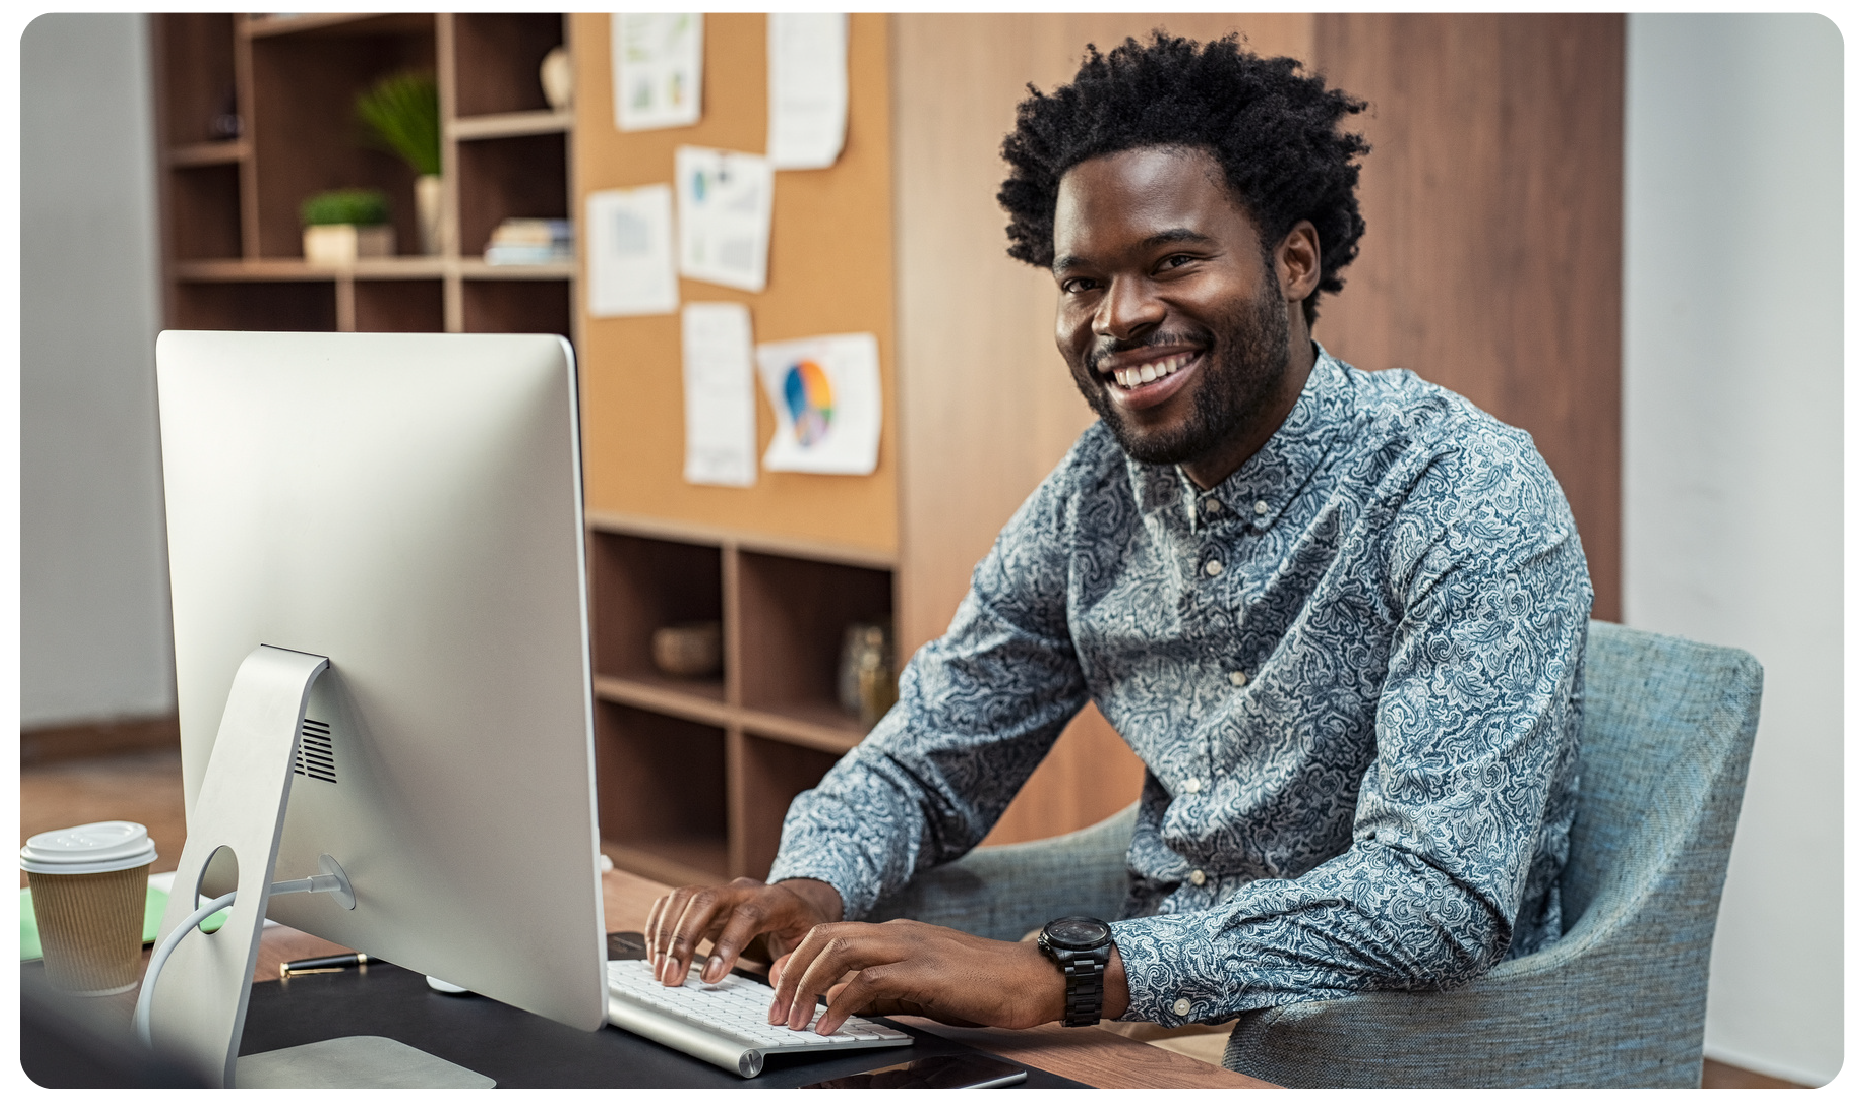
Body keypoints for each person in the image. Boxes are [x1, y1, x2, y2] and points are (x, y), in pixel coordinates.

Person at [644, 31, 1592, 1046]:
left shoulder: (1461, 490)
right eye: (1080, 282)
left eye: (1172, 261)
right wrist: (810, 883)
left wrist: (1066, 975)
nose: (1118, 318)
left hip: (1381, 1038)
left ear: (1293, 259)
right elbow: (927, 754)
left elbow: (1431, 897)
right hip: (1142, 1015)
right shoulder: (1094, 493)